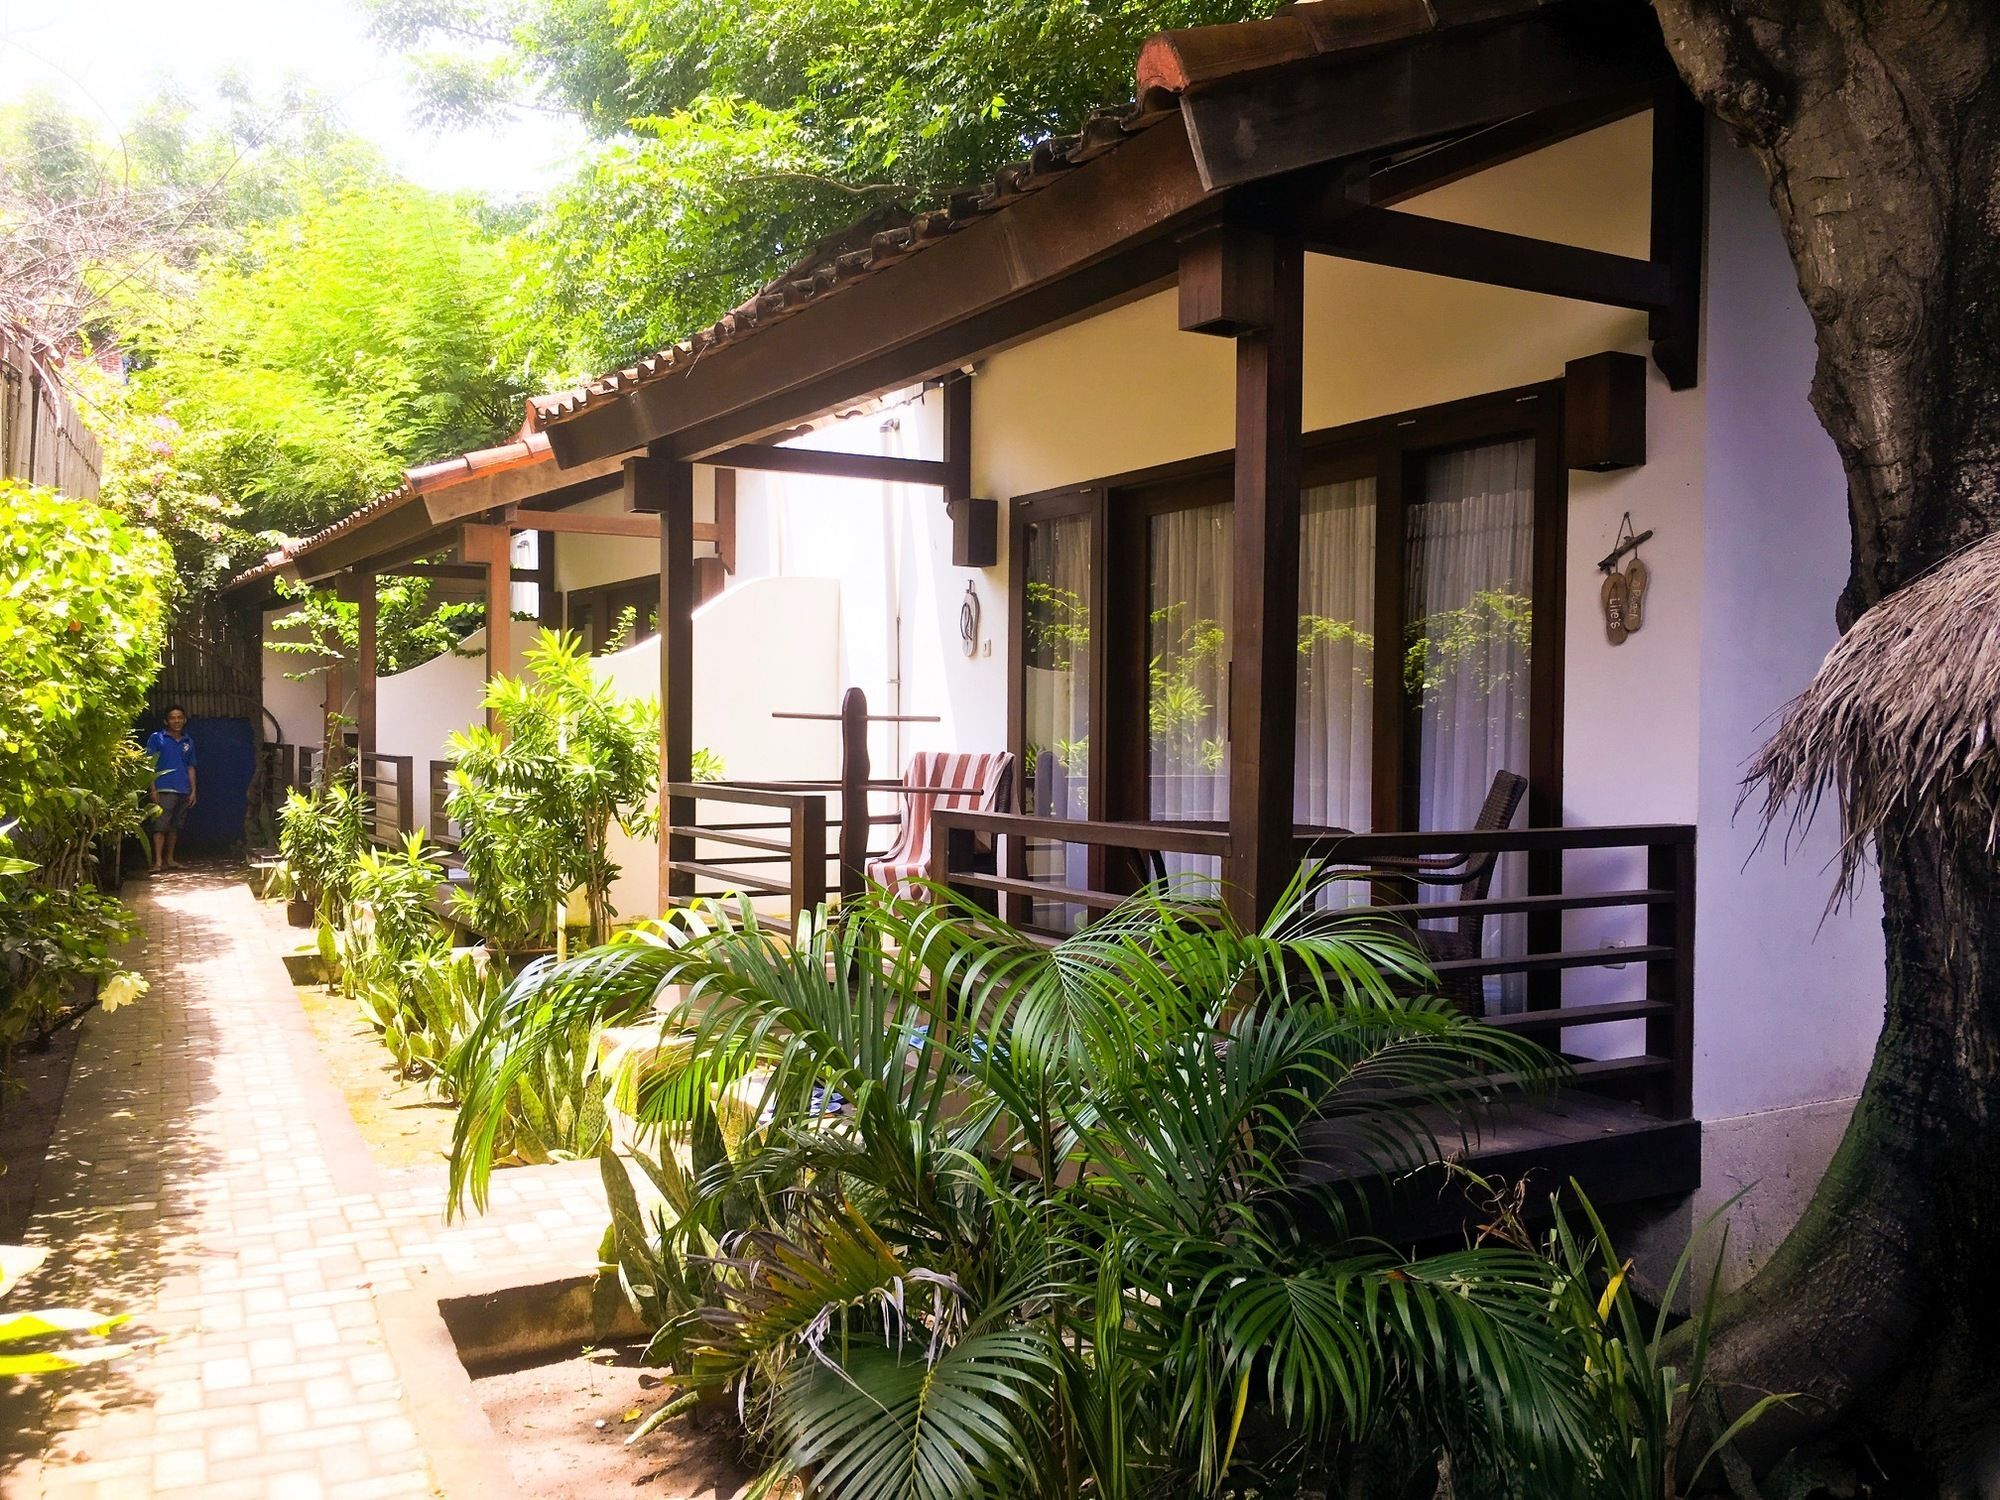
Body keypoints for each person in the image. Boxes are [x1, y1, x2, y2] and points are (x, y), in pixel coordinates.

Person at [144, 706, 197, 872]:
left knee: (175, 827)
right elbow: (149, 764)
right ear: (166, 721)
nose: (176, 721)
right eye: (172, 718)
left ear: (184, 720)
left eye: (179, 717)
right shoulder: (157, 738)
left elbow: (190, 767)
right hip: (163, 788)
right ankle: (158, 862)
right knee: (160, 826)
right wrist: (152, 788)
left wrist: (193, 790)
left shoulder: (188, 741)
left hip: (183, 789)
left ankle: (170, 859)